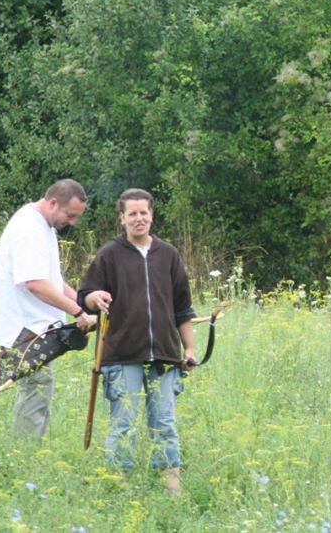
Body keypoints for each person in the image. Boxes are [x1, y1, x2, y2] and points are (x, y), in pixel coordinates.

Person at [78, 188, 196, 494]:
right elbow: (85, 296)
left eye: (144, 212)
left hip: (165, 356)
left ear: (152, 215)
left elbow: (183, 309)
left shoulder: (168, 255)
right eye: (132, 213)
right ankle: (118, 489)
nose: (139, 218)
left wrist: (189, 349)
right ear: (122, 218)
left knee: (165, 423)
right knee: (124, 424)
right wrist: (94, 297)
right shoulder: (109, 254)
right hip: (121, 354)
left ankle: (171, 488)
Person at [0, 179, 96, 441]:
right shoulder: (29, 229)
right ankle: (25, 453)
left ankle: (28, 448)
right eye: (70, 215)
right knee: (35, 387)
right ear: (53, 203)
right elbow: (35, 283)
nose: (72, 222)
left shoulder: (43, 226)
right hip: (25, 326)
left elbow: (52, 280)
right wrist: (78, 313)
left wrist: (84, 302)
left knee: (37, 387)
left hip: (37, 326)